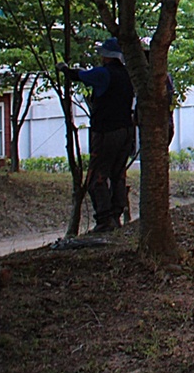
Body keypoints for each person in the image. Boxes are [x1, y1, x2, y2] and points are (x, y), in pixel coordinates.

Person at [58, 38, 136, 232]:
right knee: (118, 174)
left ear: (107, 56)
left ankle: (104, 219)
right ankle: (116, 215)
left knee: (97, 176)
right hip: (127, 131)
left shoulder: (103, 74)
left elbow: (80, 75)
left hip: (106, 132)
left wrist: (64, 69)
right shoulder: (128, 75)